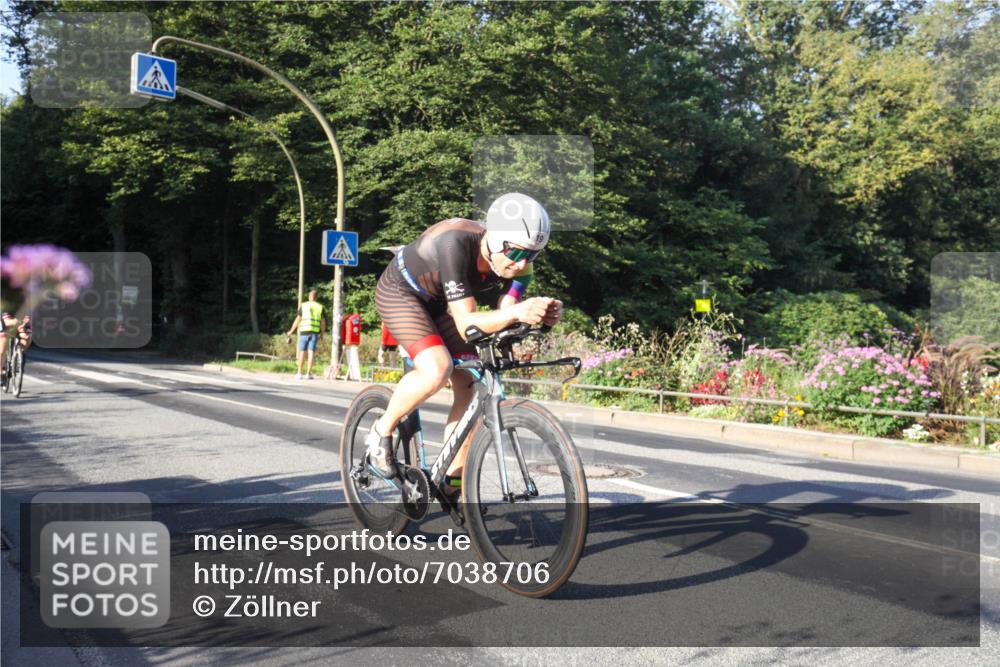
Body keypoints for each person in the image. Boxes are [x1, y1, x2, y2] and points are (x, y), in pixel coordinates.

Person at [367, 192, 563, 493]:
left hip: (444, 302)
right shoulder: (454, 242)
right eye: (515, 253)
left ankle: (452, 480)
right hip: (402, 293)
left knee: (472, 384)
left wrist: (539, 316)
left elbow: (504, 311)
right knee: (437, 369)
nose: (522, 262)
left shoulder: (522, 267)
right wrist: (518, 311)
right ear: (495, 239)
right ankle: (381, 433)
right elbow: (467, 322)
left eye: (532, 255)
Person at [285, 290, 326, 380]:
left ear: (309, 297)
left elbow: (298, 320)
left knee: (302, 352)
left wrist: (291, 331)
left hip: (304, 332)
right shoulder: (320, 307)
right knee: (311, 353)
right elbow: (323, 322)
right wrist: (322, 334)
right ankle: (308, 373)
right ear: (316, 297)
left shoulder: (304, 306)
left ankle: (299, 373)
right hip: (314, 333)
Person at [0, 312, 31, 384]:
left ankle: (18, 355)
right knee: (2, 350)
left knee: (27, 337)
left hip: (20, 320)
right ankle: (1, 372)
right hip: (5, 323)